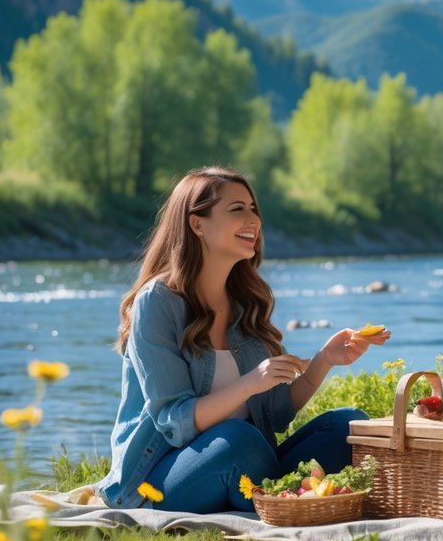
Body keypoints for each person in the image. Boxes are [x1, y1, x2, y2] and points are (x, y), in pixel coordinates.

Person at [95, 166, 388, 512]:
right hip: (158, 480)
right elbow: (176, 421)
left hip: (247, 462)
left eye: (253, 209)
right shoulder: (157, 302)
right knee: (237, 440)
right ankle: (285, 497)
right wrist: (250, 383)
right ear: (197, 224)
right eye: (237, 210)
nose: (253, 220)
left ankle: (281, 496)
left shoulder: (245, 302)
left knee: (347, 424)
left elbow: (276, 412)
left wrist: (324, 360)